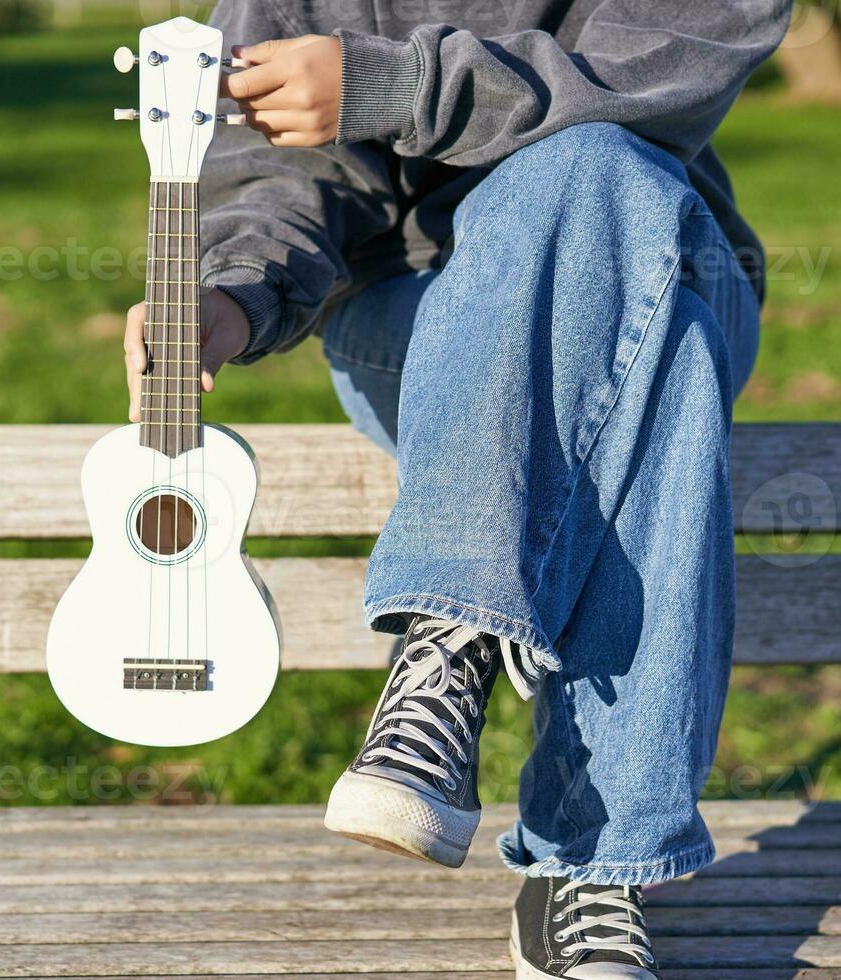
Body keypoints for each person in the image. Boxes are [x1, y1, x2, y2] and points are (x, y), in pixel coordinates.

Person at [118, 4, 789, 976]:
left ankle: (450, 641)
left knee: (591, 164)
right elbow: (279, 178)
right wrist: (229, 291)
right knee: (668, 363)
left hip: (660, 250)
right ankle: (593, 869)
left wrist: (389, 86)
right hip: (421, 312)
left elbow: (651, 81)